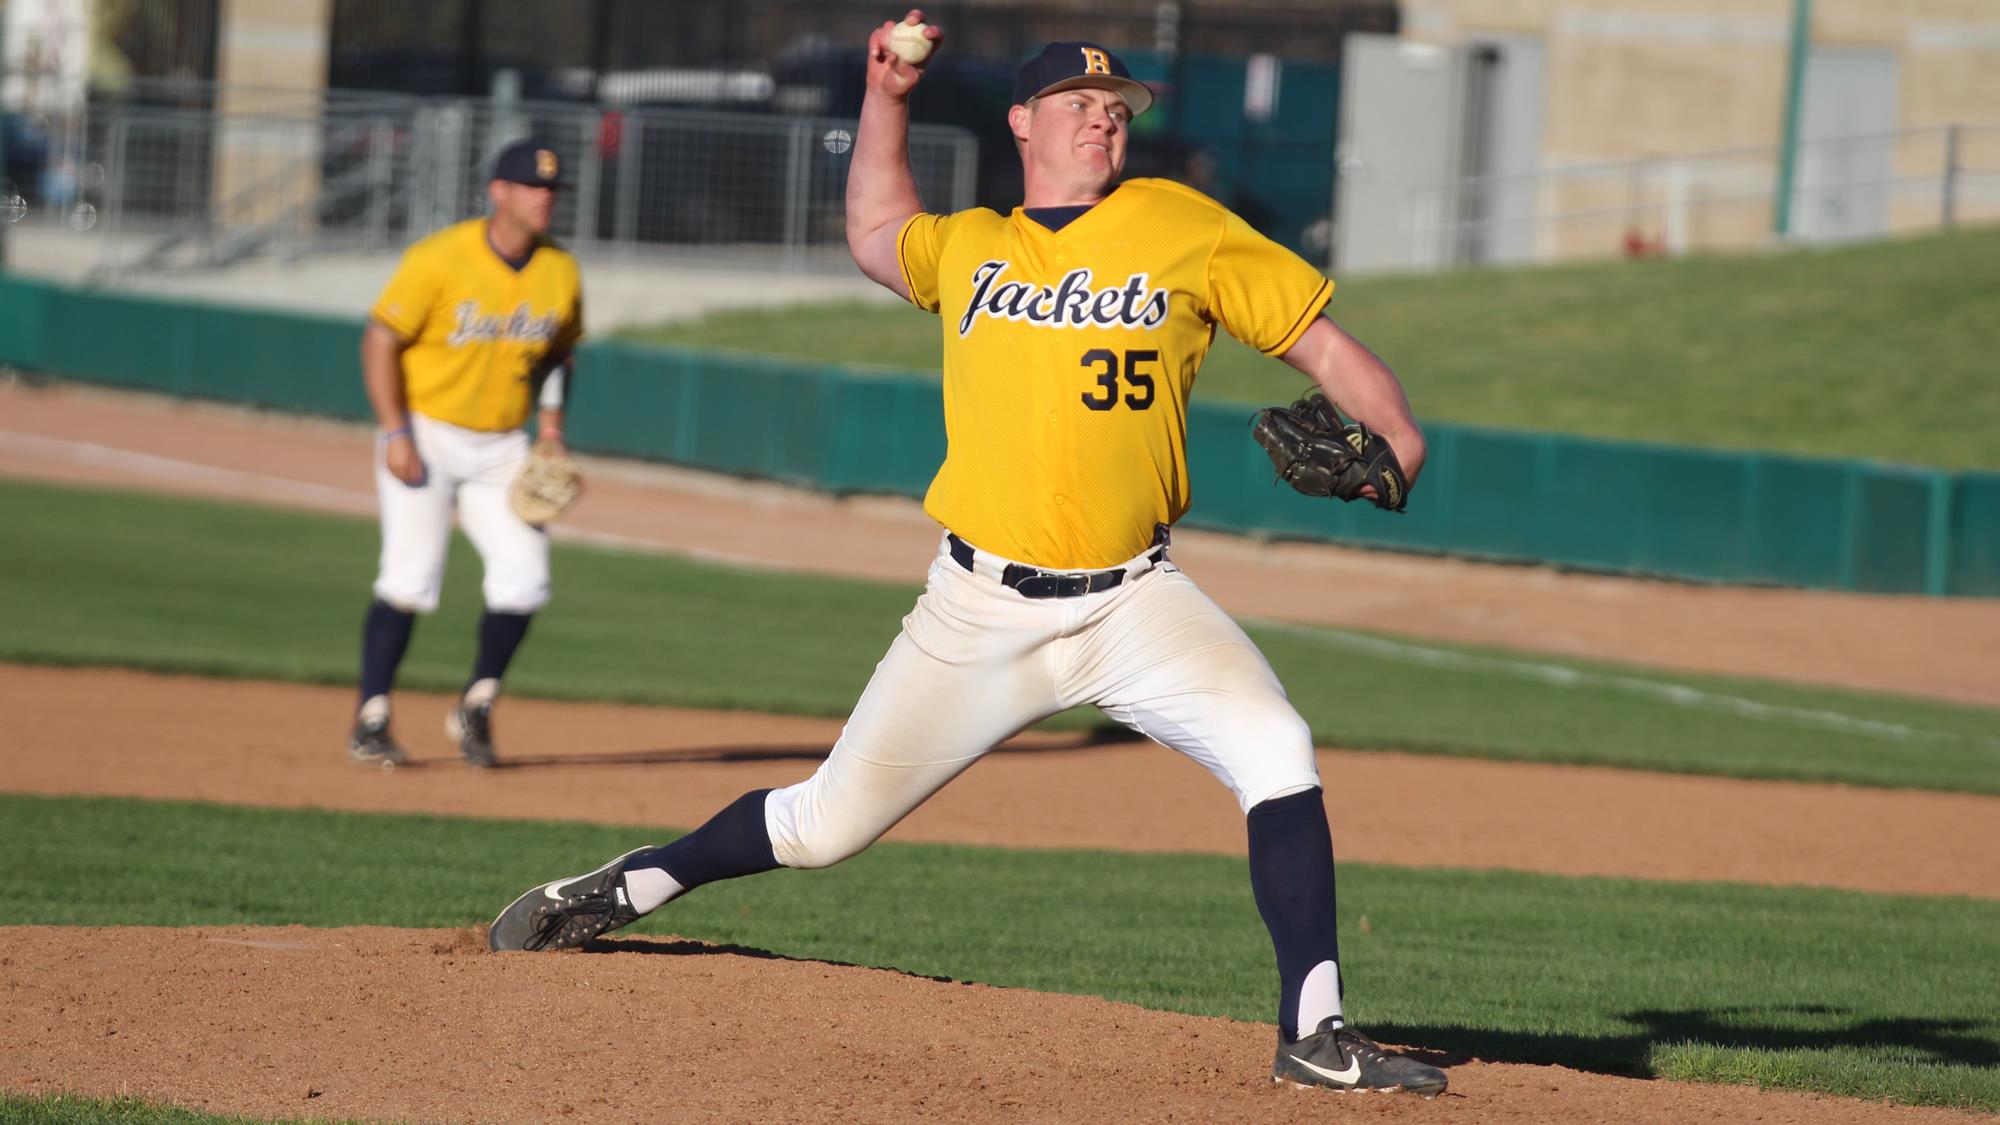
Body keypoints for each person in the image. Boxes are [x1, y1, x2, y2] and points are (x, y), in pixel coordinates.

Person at [489, 14, 1446, 1097]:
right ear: (1021, 122)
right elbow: (874, 228)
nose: (1102, 119)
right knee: (819, 828)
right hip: (976, 609)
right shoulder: (973, 247)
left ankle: (1312, 1034)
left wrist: (1397, 431)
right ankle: (631, 886)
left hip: (1134, 602)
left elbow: (1318, 341)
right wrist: (886, 96)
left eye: (1116, 108)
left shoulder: (1184, 227)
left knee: (1276, 747)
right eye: (1079, 105)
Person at [347, 139, 584, 769]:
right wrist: (395, 432)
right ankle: (371, 717)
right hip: (426, 433)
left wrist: (552, 427)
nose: (545, 198)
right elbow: (380, 341)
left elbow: (561, 353)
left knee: (525, 578)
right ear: (498, 192)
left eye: (552, 190)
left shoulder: (560, 269)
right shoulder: (440, 258)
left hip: (504, 445)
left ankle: (476, 705)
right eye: (532, 187)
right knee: (409, 576)